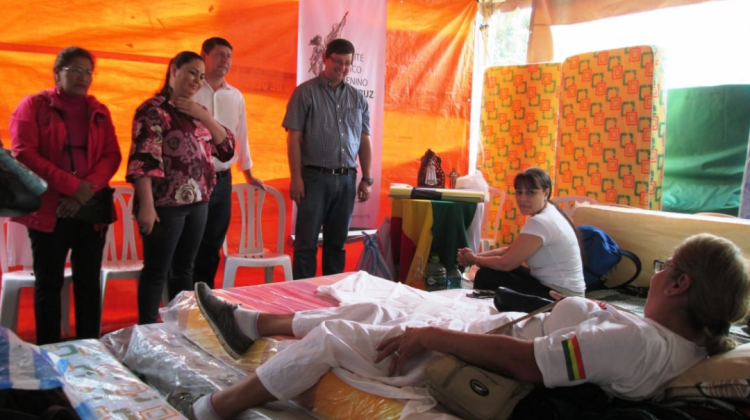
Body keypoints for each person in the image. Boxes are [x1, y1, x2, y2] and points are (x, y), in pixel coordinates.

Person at [168, 233, 750, 420]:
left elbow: (530, 364)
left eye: (663, 267)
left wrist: (433, 336)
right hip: (506, 327)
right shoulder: (679, 343)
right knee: (376, 310)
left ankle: (212, 409)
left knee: (339, 336)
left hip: (493, 356)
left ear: (679, 287)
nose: (656, 274)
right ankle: (252, 321)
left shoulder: (636, 341)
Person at [9, 46, 122, 345]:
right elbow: (24, 153)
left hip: (90, 210)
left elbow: (112, 155)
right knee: (49, 283)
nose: (83, 77)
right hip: (49, 210)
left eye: (88, 72)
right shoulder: (32, 106)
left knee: (88, 282)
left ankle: (90, 348)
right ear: (57, 72)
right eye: (75, 70)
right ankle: (49, 351)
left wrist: (85, 190)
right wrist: (71, 186)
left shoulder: (99, 110)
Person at [127, 51, 235, 324]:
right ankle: (149, 331)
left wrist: (205, 117)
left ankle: (181, 329)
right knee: (156, 271)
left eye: (201, 76)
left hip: (199, 203)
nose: (197, 80)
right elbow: (143, 162)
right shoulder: (153, 111)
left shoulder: (197, 112)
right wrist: (147, 207)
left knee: (185, 269)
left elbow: (226, 149)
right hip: (164, 206)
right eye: (191, 72)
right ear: (174, 70)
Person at [283, 38, 373, 280]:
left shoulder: (358, 99)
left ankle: (331, 301)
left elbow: (364, 141)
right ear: (325, 58)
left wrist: (367, 179)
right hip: (313, 179)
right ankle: (302, 302)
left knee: (336, 246)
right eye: (337, 61)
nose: (342, 68)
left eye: (347, 64)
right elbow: (293, 139)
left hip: (346, 181)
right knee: (306, 245)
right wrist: (296, 178)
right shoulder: (305, 92)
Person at [192, 37, 264, 289]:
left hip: (222, 181)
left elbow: (241, 135)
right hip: (192, 179)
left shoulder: (235, 96)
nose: (225, 61)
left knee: (212, 245)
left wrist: (248, 172)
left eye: (229, 56)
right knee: (189, 245)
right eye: (220, 54)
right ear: (204, 56)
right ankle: (181, 302)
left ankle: (204, 299)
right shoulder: (190, 90)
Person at [457, 167, 586, 298]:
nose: (523, 198)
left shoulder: (541, 221)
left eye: (530, 192)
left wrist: (475, 259)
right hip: (554, 287)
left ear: (546, 193)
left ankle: (485, 312)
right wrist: (475, 256)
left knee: (486, 275)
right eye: (519, 192)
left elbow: (506, 263)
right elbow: (511, 250)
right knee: (491, 268)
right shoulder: (548, 212)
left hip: (560, 295)